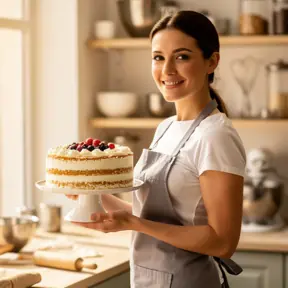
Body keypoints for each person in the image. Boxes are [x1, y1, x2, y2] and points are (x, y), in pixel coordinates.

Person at [69, 10, 246, 288]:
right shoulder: (165, 127)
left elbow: (223, 243)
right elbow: (147, 214)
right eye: (158, 57)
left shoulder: (215, 136)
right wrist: (92, 195)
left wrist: (135, 224)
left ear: (212, 61)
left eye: (182, 56)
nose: (167, 71)